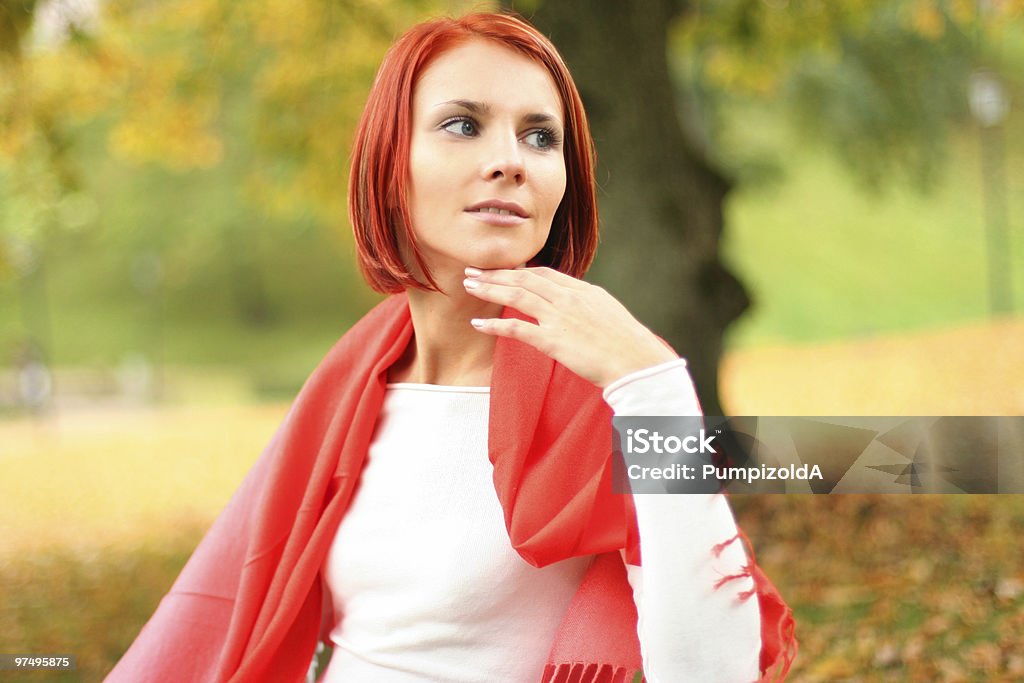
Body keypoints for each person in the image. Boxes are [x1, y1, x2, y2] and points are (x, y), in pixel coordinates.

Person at [106, 12, 795, 683]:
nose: (508, 162)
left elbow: (715, 667)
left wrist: (655, 390)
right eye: (463, 125)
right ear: (389, 159)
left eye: (540, 137)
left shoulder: (610, 394)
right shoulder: (352, 384)